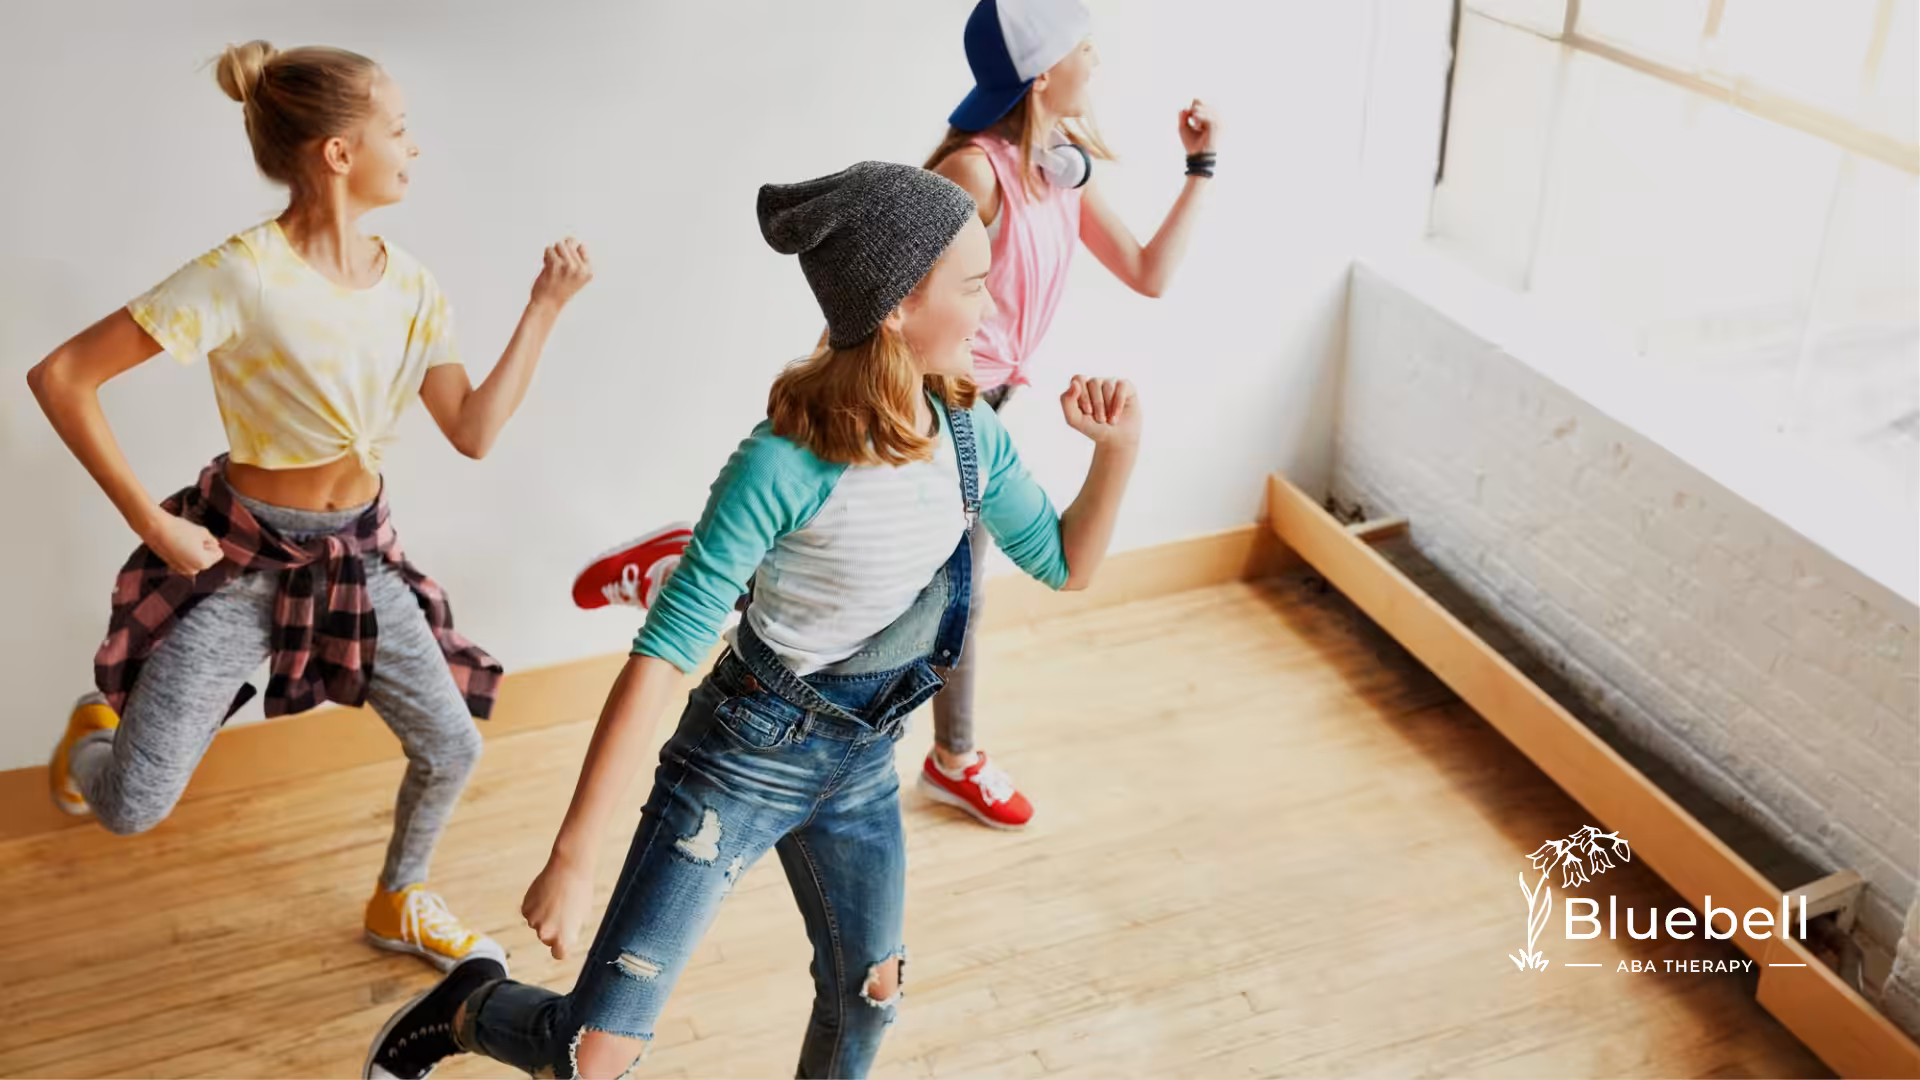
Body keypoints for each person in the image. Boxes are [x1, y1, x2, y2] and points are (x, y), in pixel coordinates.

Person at [363, 160, 1141, 1080]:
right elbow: (657, 662)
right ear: (895, 308)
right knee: (593, 1053)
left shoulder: (971, 435)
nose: (991, 304)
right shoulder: (781, 466)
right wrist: (574, 857)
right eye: (975, 284)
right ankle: (469, 1008)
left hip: (859, 759)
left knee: (871, 993)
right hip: (740, 756)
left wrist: (1118, 454)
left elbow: (1067, 564)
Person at [29, 40, 593, 972]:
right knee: (128, 808)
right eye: (399, 129)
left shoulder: (412, 286)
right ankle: (99, 726)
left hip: (360, 560)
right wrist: (152, 522)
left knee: (452, 745)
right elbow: (62, 377)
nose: (414, 147)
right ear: (339, 151)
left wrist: (544, 306)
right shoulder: (242, 274)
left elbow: (473, 429)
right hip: (243, 565)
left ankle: (398, 898)